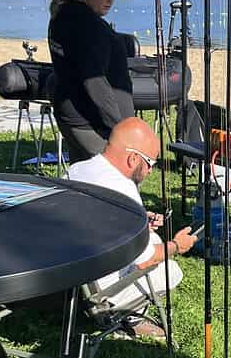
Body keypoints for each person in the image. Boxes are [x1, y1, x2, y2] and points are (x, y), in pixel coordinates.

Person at [68, 117, 196, 335]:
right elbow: (146, 259)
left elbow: (98, 217)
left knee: (153, 238)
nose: (150, 171)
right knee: (172, 271)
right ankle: (127, 319)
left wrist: (139, 220)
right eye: (151, 163)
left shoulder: (78, 169)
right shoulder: (123, 190)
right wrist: (177, 245)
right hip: (103, 290)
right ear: (133, 158)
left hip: (74, 276)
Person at [48, 0, 134, 164]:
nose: (110, 0)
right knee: (117, 183)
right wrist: (121, 128)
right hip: (92, 123)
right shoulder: (88, 24)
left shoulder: (62, 14)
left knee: (85, 182)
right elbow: (94, 82)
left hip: (71, 115)